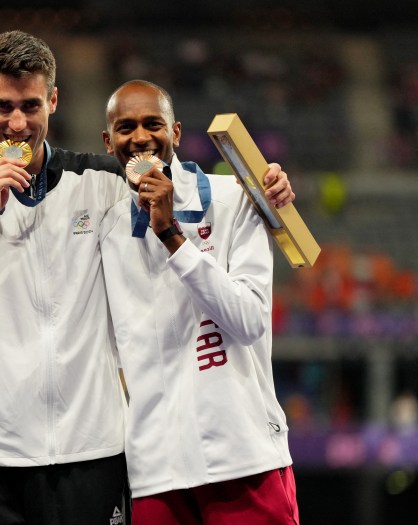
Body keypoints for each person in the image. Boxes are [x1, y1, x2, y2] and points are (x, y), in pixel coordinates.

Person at [0, 30, 131, 525]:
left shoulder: (103, 182)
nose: (17, 123)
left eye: (31, 106)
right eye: (4, 106)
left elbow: (177, 203)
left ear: (53, 100)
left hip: (90, 447)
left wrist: (257, 191)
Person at [100, 79, 300, 524]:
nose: (139, 138)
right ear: (107, 140)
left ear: (175, 132)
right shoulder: (104, 226)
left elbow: (248, 321)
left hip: (243, 456)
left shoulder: (236, 197)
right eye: (125, 127)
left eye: (153, 124)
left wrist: (173, 236)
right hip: (157, 470)